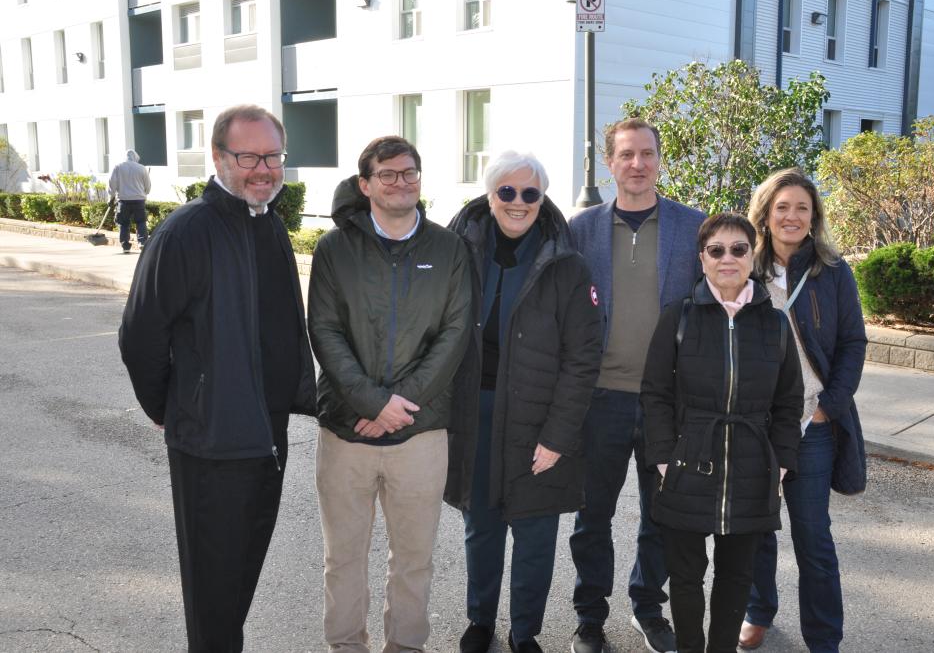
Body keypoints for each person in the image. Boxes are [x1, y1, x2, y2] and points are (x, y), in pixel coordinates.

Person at [119, 105, 317, 651]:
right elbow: (140, 338)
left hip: (264, 434)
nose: (264, 169)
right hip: (210, 443)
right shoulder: (186, 232)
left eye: (273, 156)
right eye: (248, 156)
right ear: (218, 158)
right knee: (212, 595)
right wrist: (176, 407)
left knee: (237, 586)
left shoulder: (268, 223)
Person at [308, 135, 472, 653]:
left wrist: (397, 405)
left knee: (414, 558)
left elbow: (455, 334)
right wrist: (371, 402)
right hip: (346, 430)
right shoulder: (335, 248)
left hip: (420, 431)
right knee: (343, 557)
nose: (402, 182)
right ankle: (346, 646)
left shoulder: (449, 248)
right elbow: (325, 331)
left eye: (410, 173)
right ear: (366, 184)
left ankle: (405, 647)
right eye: (389, 174)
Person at [445, 151, 603, 653]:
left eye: (530, 193)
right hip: (476, 415)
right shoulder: (458, 252)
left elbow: (583, 359)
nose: (518, 203)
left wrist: (558, 436)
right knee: (481, 526)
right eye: (507, 192)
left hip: (540, 419)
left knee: (535, 535)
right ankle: (480, 622)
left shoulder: (568, 265)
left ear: (542, 199)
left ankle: (524, 632)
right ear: (490, 195)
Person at [567, 117, 706, 653]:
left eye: (647, 154)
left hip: (667, 401)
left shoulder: (692, 228)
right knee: (591, 517)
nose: (637, 164)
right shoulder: (582, 229)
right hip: (599, 398)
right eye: (626, 155)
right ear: (609, 162)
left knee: (662, 515)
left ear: (659, 159)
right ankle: (589, 616)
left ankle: (648, 606)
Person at [641, 212, 804, 653]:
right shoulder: (679, 317)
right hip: (688, 462)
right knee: (687, 576)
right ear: (702, 258)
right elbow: (654, 392)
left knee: (736, 578)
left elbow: (790, 402)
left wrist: (783, 460)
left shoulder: (775, 323)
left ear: (752, 256)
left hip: (752, 466)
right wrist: (662, 456)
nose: (727, 258)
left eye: (738, 249)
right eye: (717, 250)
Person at [739, 169, 868, 653]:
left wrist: (827, 410)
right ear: (765, 215)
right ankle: (758, 610)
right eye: (782, 207)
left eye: (802, 209)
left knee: (814, 541)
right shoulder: (744, 268)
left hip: (810, 427)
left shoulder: (832, 272)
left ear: (814, 219)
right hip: (755, 426)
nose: (792, 217)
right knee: (755, 530)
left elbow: (854, 343)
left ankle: (824, 639)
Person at [108, 149, 151, 253]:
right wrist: (144, 193)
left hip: (123, 200)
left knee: (124, 223)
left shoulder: (118, 167)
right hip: (139, 200)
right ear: (136, 157)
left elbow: (112, 183)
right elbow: (148, 186)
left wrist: (110, 198)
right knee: (141, 222)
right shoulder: (142, 168)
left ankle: (125, 246)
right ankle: (142, 242)